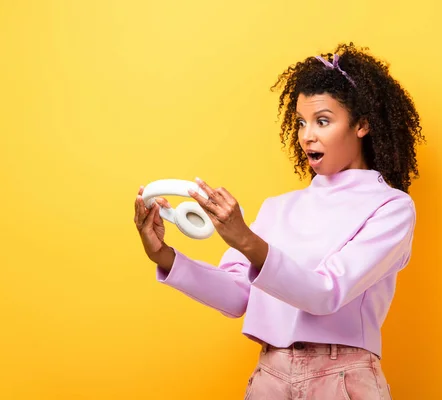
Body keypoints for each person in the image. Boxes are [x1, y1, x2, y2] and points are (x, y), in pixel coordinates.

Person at [133, 42, 424, 399]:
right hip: (270, 374)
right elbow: (237, 297)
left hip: (342, 378)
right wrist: (163, 255)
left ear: (362, 124)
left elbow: (325, 293)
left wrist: (246, 241)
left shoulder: (391, 208)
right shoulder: (278, 207)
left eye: (323, 121)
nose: (307, 135)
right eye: (301, 122)